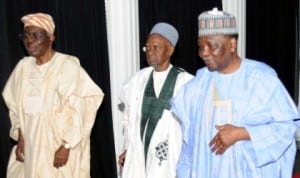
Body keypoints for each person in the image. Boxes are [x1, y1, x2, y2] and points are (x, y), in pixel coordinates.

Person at [171, 7, 299, 178]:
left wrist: (241, 133)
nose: (204, 53)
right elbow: (188, 146)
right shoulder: (196, 87)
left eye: (211, 46)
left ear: (232, 44)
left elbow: (286, 128)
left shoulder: (261, 79)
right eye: (200, 46)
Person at [2, 13, 104, 178]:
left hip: (57, 146)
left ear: (51, 38)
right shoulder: (23, 68)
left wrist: (67, 145)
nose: (29, 40)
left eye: (36, 35)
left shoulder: (66, 66)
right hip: (31, 146)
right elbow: (15, 107)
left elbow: (82, 108)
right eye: (26, 36)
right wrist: (20, 135)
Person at [117, 22, 193, 178]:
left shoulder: (185, 83)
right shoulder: (138, 80)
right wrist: (127, 147)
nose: (150, 51)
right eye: (147, 47)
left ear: (170, 49)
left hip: (168, 155)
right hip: (138, 155)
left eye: (156, 47)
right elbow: (129, 118)